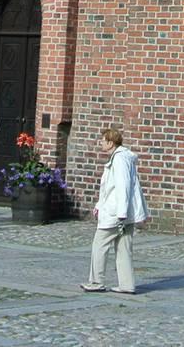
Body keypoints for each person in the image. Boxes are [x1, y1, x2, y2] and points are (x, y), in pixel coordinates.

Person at [82, 126, 149, 295]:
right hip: (122, 212)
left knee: (99, 245)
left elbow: (122, 187)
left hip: (116, 213)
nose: (100, 143)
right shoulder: (123, 158)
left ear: (111, 143)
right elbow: (108, 188)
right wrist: (99, 205)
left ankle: (96, 281)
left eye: (103, 141)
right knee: (124, 247)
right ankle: (127, 285)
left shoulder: (119, 160)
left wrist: (121, 213)